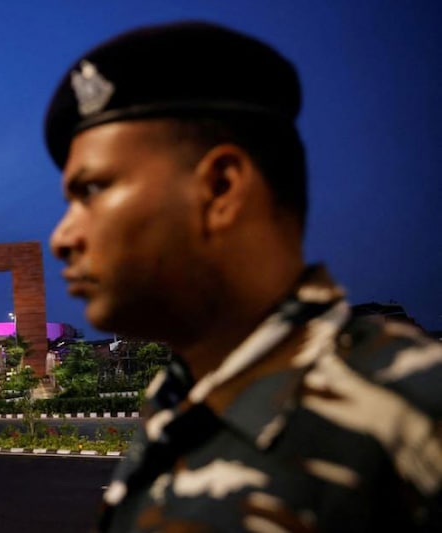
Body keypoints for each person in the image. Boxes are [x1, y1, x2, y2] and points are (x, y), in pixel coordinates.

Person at [44, 21, 442, 532]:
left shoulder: (414, 406)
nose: (62, 236)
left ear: (221, 187)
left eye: (93, 190)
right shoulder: (176, 401)